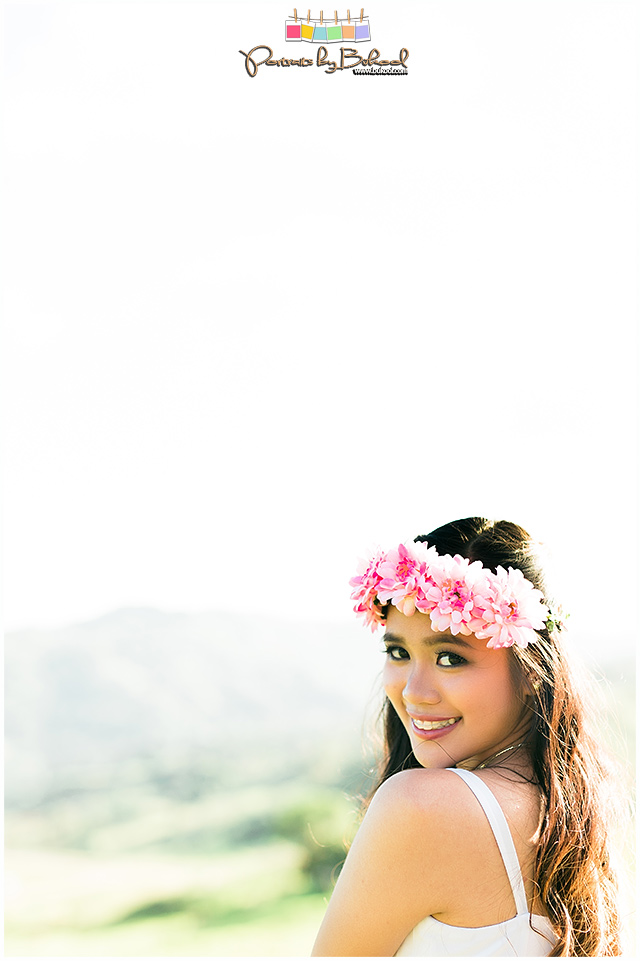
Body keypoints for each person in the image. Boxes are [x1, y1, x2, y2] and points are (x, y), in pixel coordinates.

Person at [312, 518, 622, 957]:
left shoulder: (422, 807)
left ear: (532, 670)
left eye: (449, 658)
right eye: (398, 652)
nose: (413, 691)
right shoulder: (568, 815)